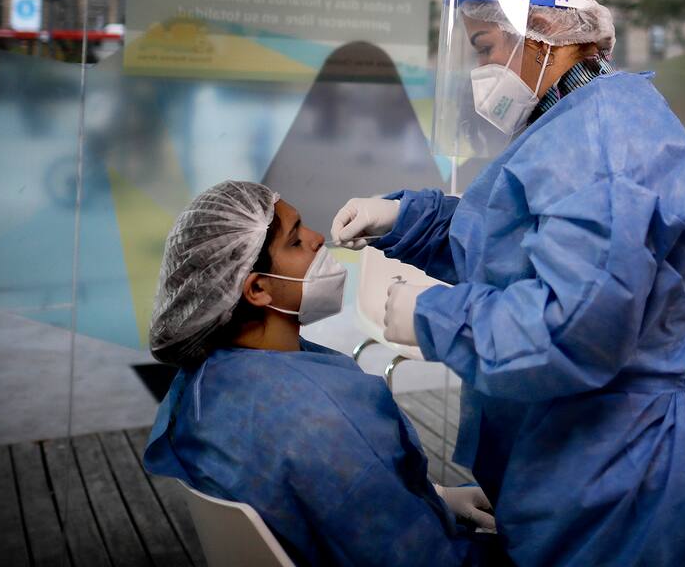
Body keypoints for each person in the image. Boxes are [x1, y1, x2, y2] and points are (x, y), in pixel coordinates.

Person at [333, 0, 685, 566]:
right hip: (576, 450)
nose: (480, 72)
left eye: (486, 47)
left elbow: (577, 325)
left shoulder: (604, 136)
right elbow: (511, 243)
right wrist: (406, 219)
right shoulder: (571, 121)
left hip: (620, 476)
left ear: (547, 33)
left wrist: (431, 315)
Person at [142, 180, 505, 567]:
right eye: (295, 240)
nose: (317, 239)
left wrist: (436, 499)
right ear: (258, 289)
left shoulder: (206, 382)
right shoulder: (322, 419)